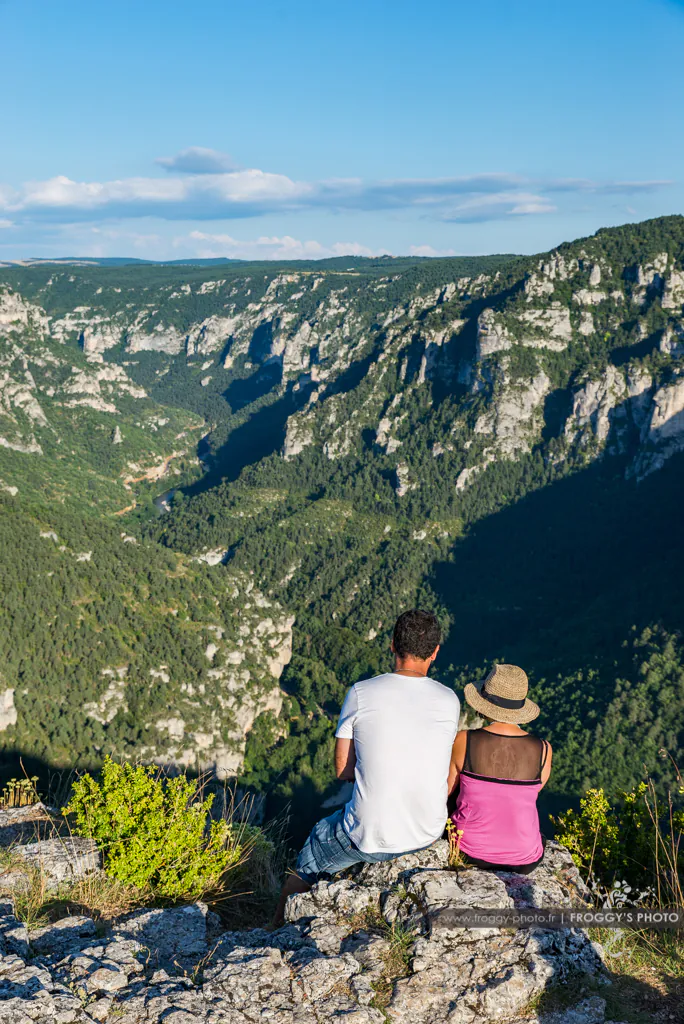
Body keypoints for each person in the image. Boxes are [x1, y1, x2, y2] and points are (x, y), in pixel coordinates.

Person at [273, 609, 461, 926]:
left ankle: (273, 929)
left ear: (391, 645)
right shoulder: (450, 700)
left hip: (369, 836)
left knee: (314, 849)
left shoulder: (361, 693)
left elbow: (343, 769)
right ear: (435, 652)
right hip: (427, 832)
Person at [448, 664, 552, 873]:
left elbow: (447, 791)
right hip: (524, 860)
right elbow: (526, 794)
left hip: (469, 851)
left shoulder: (464, 741)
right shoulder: (543, 750)